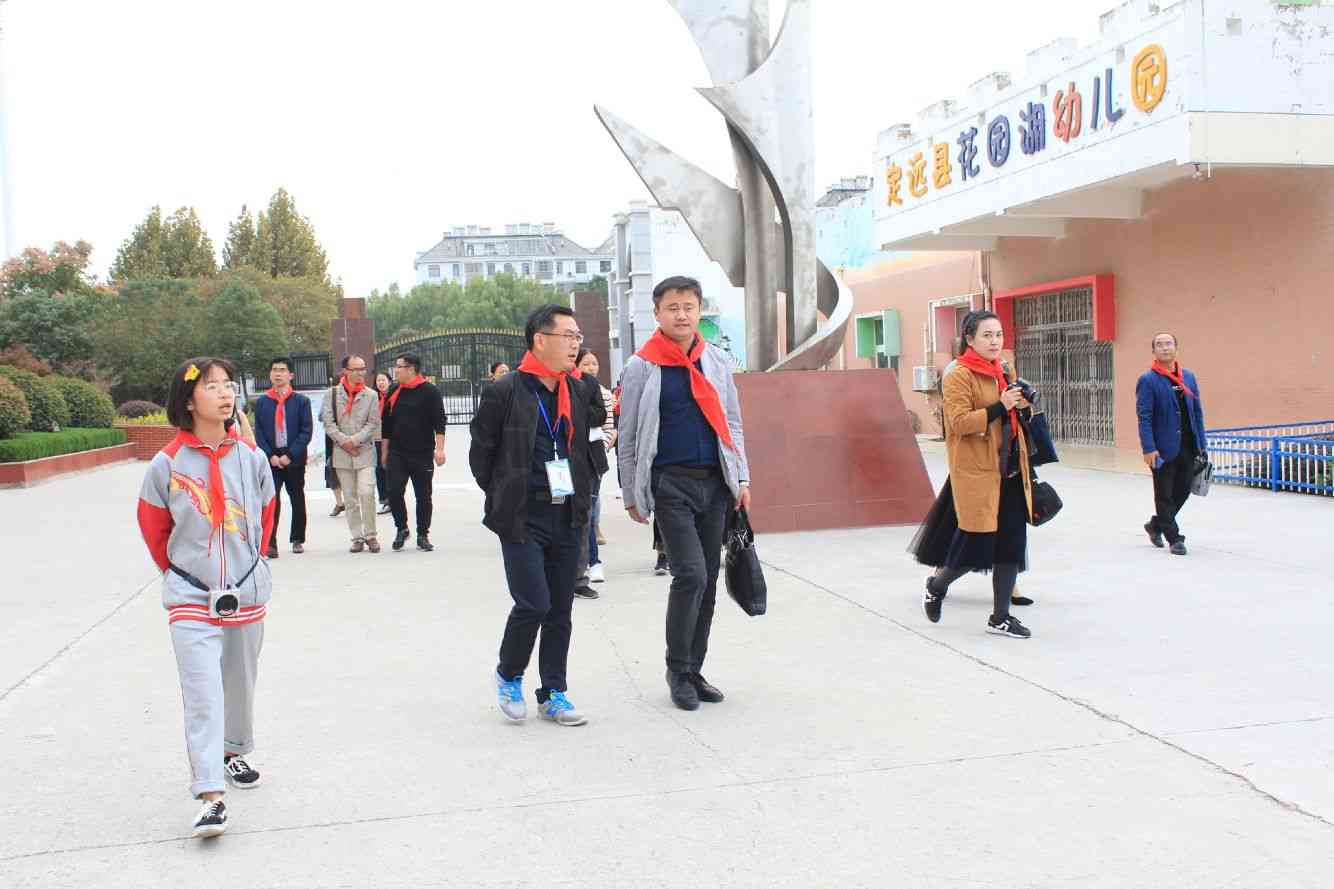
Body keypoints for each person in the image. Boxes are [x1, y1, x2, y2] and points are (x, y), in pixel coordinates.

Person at [136, 357, 276, 839]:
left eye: (228, 385)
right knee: (202, 693)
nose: (225, 393)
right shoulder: (167, 464)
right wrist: (187, 576)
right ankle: (210, 795)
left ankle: (233, 752)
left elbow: (267, 514)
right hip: (191, 597)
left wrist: (248, 567)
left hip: (245, 592)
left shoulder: (251, 459)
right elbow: (155, 529)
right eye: (212, 386)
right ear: (189, 399)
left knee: (239, 684)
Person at [617, 275, 752, 712]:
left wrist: (742, 478)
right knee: (690, 574)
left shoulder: (716, 360)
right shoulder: (642, 366)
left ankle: (694, 670)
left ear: (699, 311)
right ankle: (677, 671)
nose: (681, 315)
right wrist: (631, 492)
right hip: (670, 484)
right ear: (657, 313)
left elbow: (732, 422)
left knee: (708, 579)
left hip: (714, 482)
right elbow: (629, 434)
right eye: (672, 308)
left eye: (688, 307)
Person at [469, 304, 603, 726]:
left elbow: (586, 443)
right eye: (568, 336)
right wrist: (505, 494)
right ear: (540, 340)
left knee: (560, 608)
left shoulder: (577, 389)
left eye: (578, 336)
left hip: (568, 514)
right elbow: (481, 455)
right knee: (534, 603)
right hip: (523, 516)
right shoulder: (506, 391)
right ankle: (509, 674)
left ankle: (553, 692)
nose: (576, 344)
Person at [911, 310, 1035, 639]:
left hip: (1010, 469)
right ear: (970, 339)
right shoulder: (959, 375)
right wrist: (1001, 406)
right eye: (987, 335)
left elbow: (1011, 417)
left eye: (998, 335)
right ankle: (937, 585)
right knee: (976, 547)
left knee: (1011, 546)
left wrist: (1022, 406)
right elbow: (959, 423)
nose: (995, 341)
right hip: (979, 472)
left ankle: (1000, 617)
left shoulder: (1003, 370)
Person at [1136, 332, 1207, 556]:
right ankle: (1174, 538)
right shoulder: (1148, 380)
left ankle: (1156, 525)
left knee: (1183, 490)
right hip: (1162, 448)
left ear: (1176, 348)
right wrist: (1149, 448)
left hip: (1188, 445)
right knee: (1164, 494)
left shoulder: (1189, 377)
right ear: (1153, 351)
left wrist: (1202, 442)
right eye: (1159, 344)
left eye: (1168, 344)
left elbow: (1197, 412)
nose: (1165, 347)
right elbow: (1144, 417)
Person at [380, 353, 447, 552]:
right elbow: (386, 425)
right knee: (393, 491)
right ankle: (402, 528)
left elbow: (439, 422)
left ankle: (422, 534)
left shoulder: (430, 391)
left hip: (422, 453)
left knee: (423, 495)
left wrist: (440, 449)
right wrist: (384, 452)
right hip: (397, 452)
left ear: (411, 369)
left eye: (399, 366)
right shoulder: (395, 390)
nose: (396, 370)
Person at [252, 356, 313, 558]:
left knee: (297, 497)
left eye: (282, 370)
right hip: (271, 458)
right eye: (274, 370)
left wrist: (289, 455)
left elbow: (306, 431)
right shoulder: (262, 402)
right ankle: (271, 542)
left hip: (294, 457)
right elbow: (259, 432)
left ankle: (297, 538)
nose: (277, 374)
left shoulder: (301, 401)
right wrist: (270, 455)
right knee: (271, 499)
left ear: (291, 375)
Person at [321, 355, 383, 553]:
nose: (360, 373)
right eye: (355, 369)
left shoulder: (371, 395)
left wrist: (354, 441)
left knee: (366, 492)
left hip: (364, 452)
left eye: (363, 369)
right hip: (341, 453)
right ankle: (357, 537)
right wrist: (344, 442)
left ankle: (371, 535)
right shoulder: (331, 394)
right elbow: (328, 424)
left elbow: (373, 423)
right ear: (345, 371)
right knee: (349, 498)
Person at [572, 348, 616, 599]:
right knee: (558, 513)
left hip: (588, 460)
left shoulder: (588, 384)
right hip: (557, 463)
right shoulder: (544, 383)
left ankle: (582, 574)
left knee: (585, 515)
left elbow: (600, 416)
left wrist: (573, 411)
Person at [373, 372, 392, 515]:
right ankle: (385, 500)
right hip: (377, 438)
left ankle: (394, 498)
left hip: (393, 438)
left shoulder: (394, 396)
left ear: (389, 381)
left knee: (391, 468)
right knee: (379, 468)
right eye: (378, 380)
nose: (380, 383)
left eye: (383, 380)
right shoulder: (372, 398)